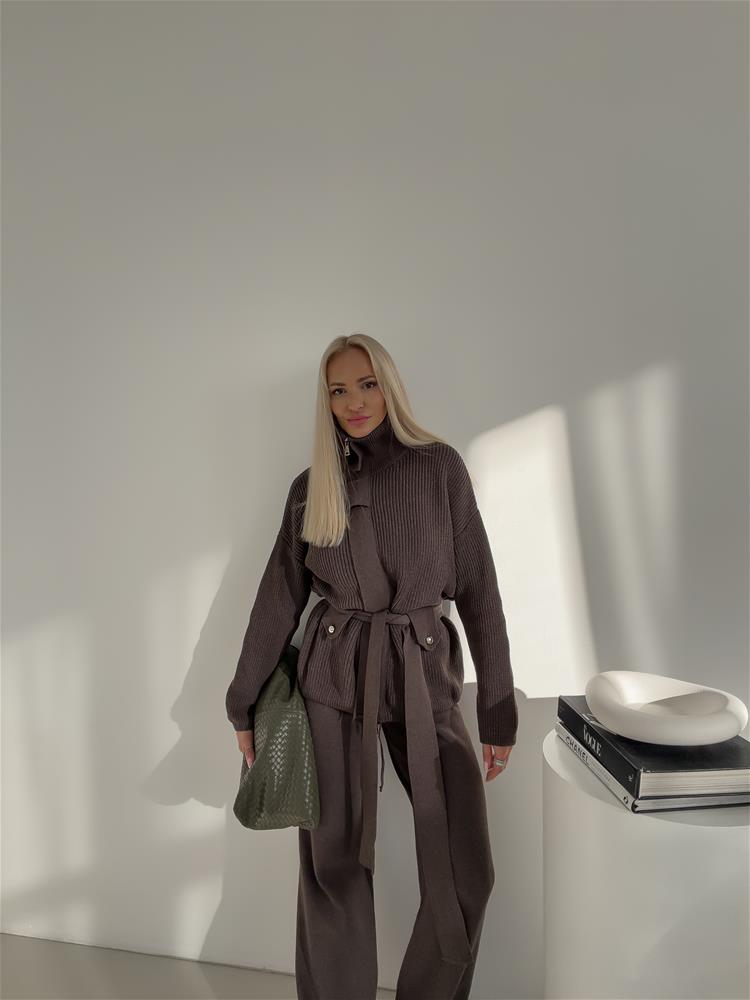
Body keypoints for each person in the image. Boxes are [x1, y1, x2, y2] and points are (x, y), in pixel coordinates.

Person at [226, 333, 519, 1000]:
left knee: (466, 871)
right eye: (338, 390)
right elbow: (278, 600)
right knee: (332, 868)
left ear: (389, 386)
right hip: (333, 680)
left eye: (367, 384)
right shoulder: (312, 490)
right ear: (325, 402)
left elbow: (479, 587)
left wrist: (497, 707)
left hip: (423, 676)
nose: (354, 402)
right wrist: (242, 702)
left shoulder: (440, 469)